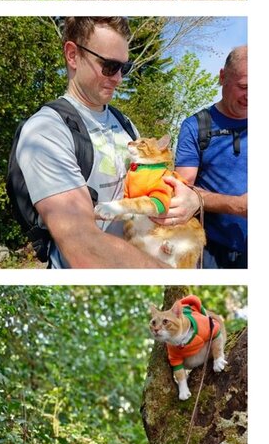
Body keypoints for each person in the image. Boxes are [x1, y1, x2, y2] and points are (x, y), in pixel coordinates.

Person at [13, 16, 198, 268]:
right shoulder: (46, 131)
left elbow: (155, 184)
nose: (119, 78)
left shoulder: (125, 123)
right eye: (109, 66)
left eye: (125, 67)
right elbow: (83, 247)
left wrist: (191, 199)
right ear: (72, 55)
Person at [167, 46, 247, 268]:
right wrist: (236, 205)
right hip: (211, 249)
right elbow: (183, 191)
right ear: (223, 77)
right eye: (243, 87)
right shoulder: (196, 127)